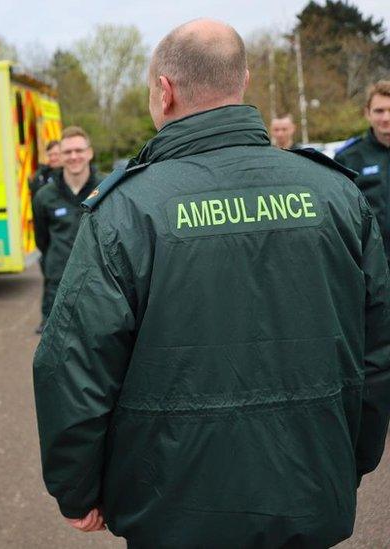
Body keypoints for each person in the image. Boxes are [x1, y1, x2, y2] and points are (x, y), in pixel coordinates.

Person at [33, 19, 390, 547]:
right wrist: (349, 456)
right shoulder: (335, 195)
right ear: (242, 82)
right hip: (309, 491)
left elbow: (73, 365)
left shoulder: (125, 209)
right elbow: (377, 349)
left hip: (171, 507)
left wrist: (77, 488)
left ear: (165, 90)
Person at [31, 126, 98, 334]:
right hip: (58, 287)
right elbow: (41, 240)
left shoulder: (108, 188)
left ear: (89, 152)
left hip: (98, 286)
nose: (74, 156)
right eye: (68, 152)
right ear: (60, 156)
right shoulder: (44, 196)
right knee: (56, 352)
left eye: (79, 150)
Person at [335, 80, 390, 260]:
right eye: (379, 111)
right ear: (368, 113)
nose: (386, 118)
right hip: (374, 262)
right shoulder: (348, 158)